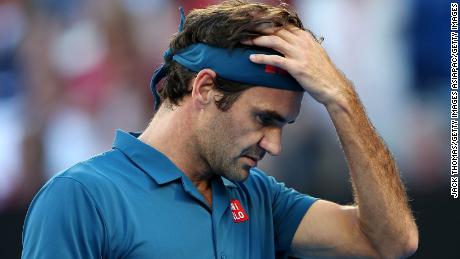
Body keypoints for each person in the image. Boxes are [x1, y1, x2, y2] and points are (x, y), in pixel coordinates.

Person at [22, 1, 419, 258]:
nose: (275, 145)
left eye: (283, 125)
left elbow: (392, 241)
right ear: (205, 88)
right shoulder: (82, 197)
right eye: (264, 119)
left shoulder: (259, 197)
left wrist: (342, 99)